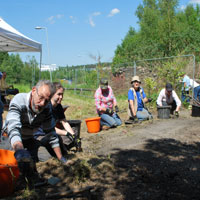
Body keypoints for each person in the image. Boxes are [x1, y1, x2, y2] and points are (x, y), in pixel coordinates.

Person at [3, 80, 68, 187]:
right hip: (10, 139)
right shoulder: (19, 100)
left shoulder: (46, 109)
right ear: (34, 90)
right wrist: (20, 150)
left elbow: (51, 133)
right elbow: (13, 128)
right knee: (16, 164)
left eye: (46, 101)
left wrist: (61, 158)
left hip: (29, 139)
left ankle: (29, 162)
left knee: (47, 158)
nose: (42, 103)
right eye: (41, 97)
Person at [34, 82, 81, 156]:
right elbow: (50, 128)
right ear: (52, 94)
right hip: (40, 136)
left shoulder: (58, 107)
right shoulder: (46, 107)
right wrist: (67, 133)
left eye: (62, 94)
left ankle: (63, 148)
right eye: (59, 94)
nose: (61, 97)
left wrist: (74, 136)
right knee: (57, 139)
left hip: (51, 134)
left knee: (73, 132)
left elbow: (64, 122)